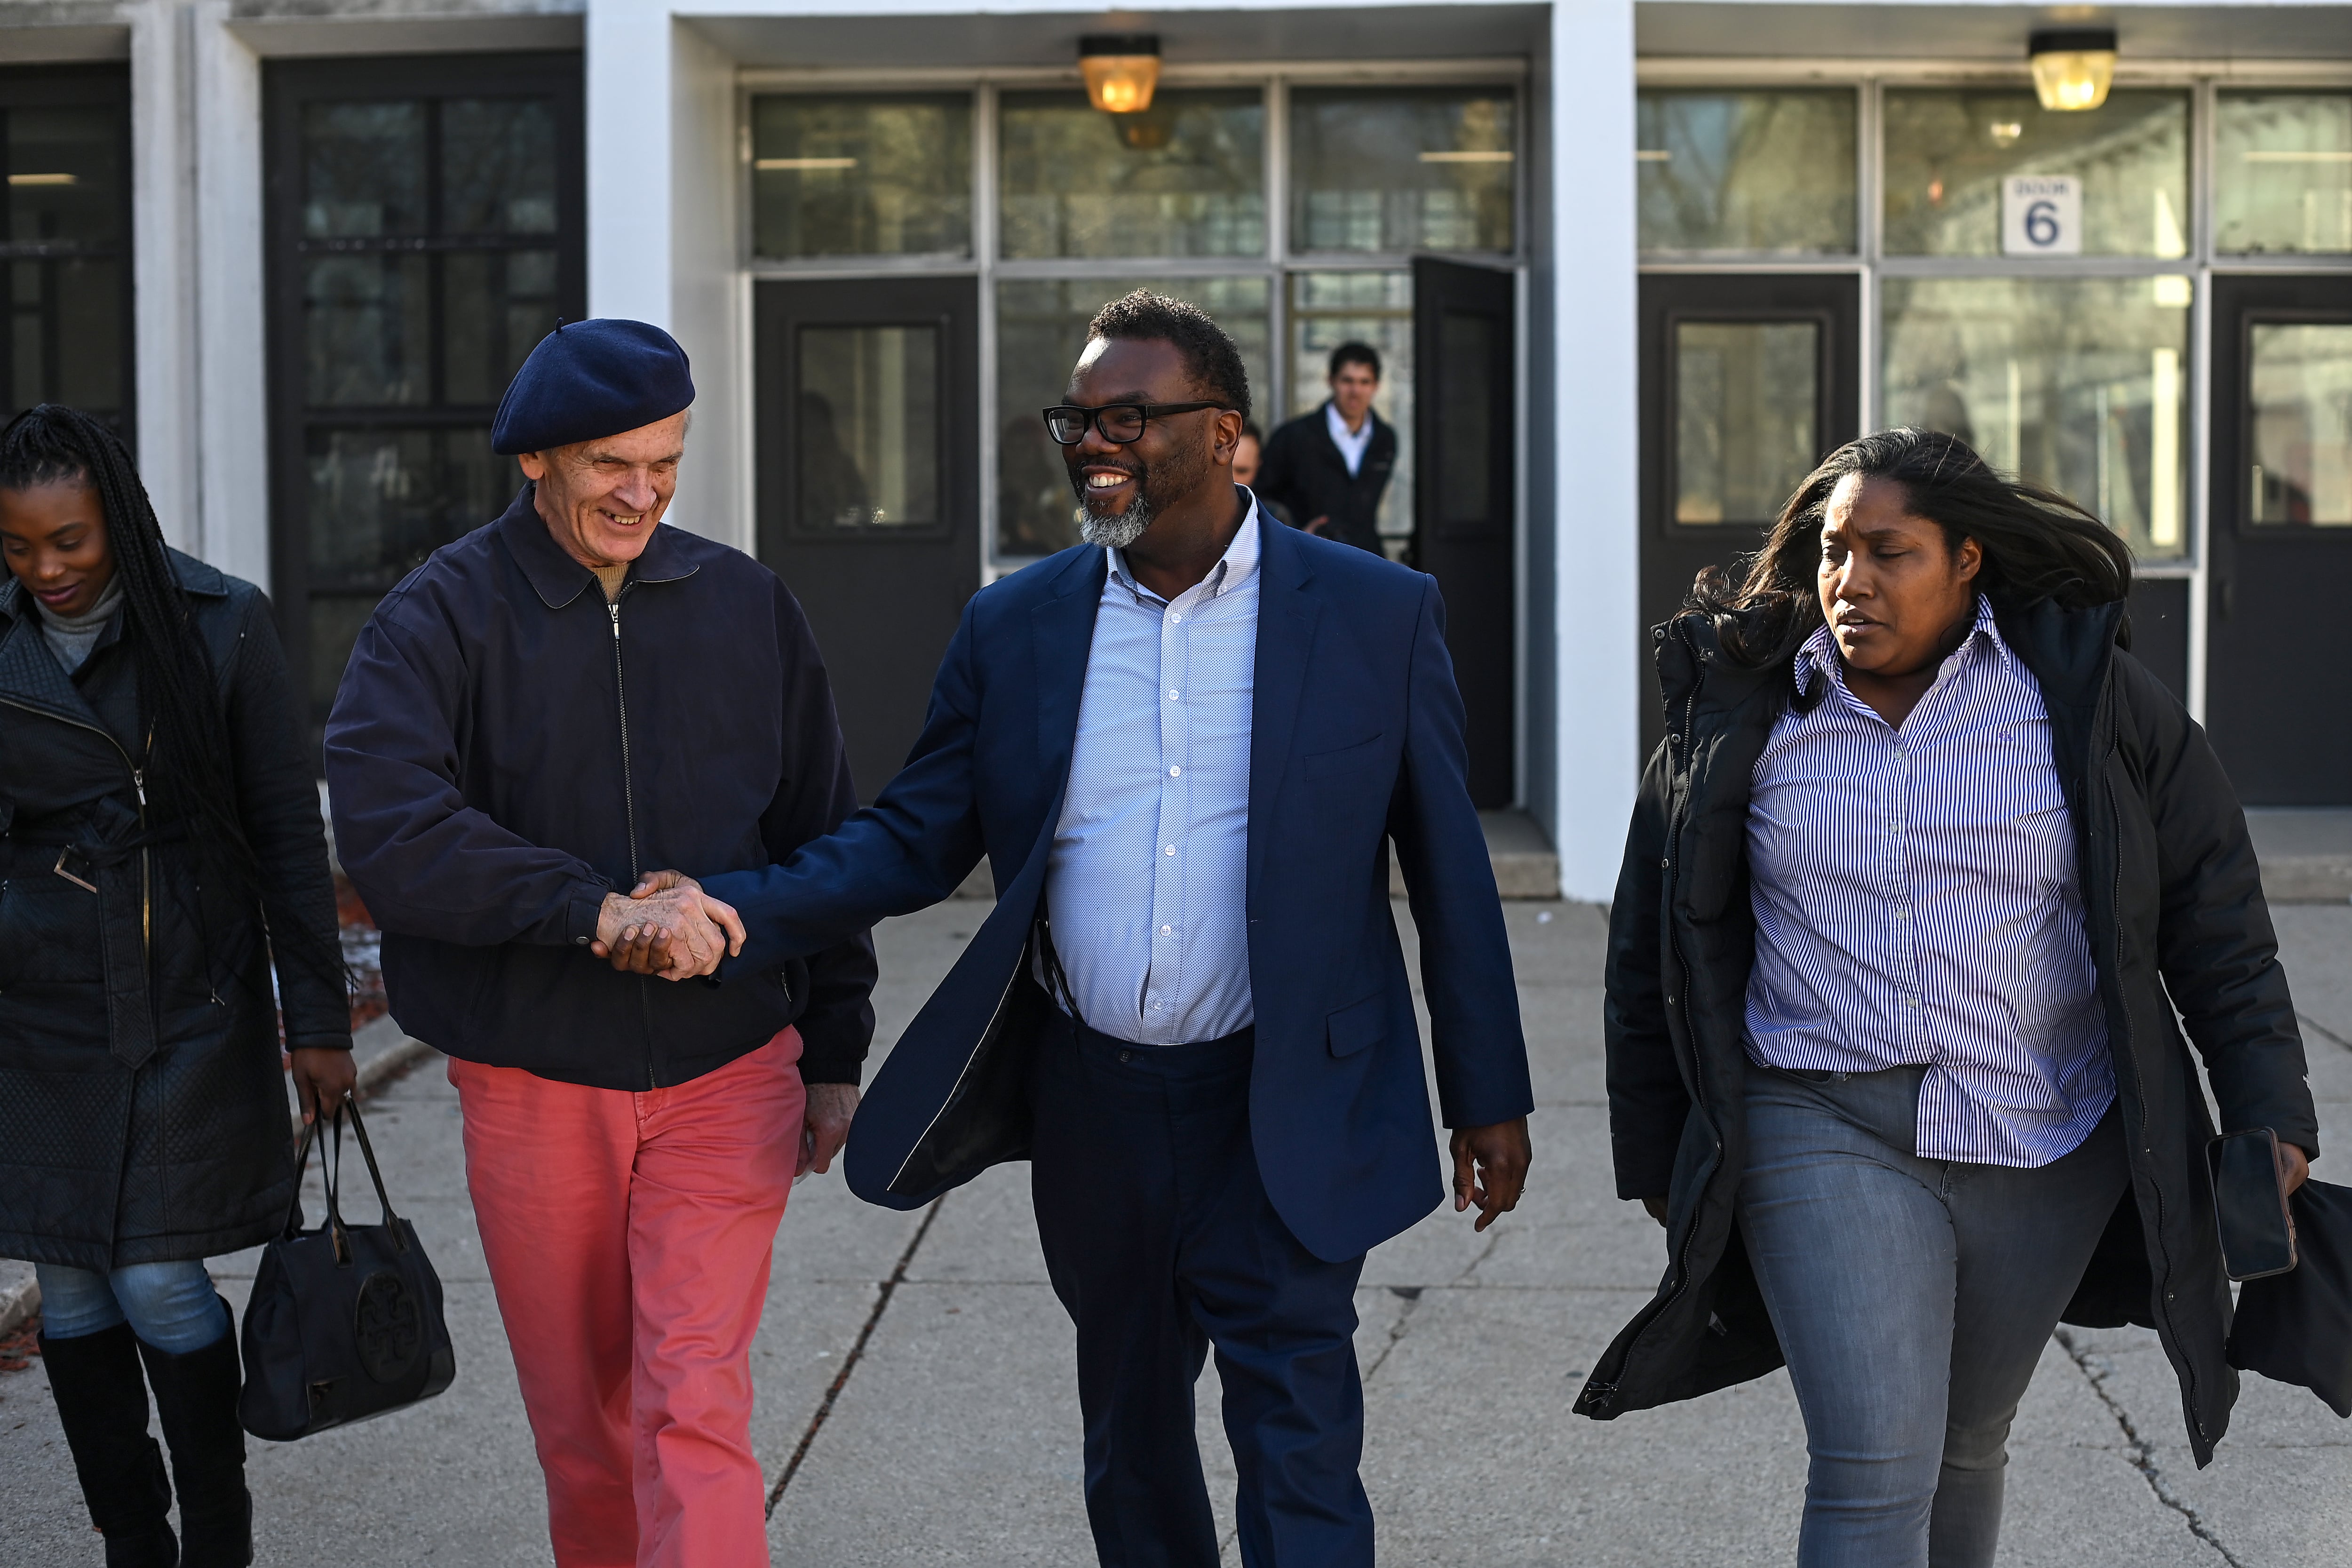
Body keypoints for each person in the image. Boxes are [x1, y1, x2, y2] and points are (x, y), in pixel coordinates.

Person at [610, 290, 1534, 1567]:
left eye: (1127, 417)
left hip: (1285, 1101)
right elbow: (913, 835)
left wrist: (1488, 1089)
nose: (1092, 442)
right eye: (1077, 417)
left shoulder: (1376, 611)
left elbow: (1447, 866)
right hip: (1098, 1107)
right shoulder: (1019, 622)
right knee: (1132, 1443)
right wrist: (733, 908)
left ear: (1222, 431)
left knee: (1302, 1449)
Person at [1578, 428, 2320, 1568]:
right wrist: (1657, 1152)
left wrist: (2267, 1104)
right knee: (1874, 1464)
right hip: (1819, 1120)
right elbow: (1650, 944)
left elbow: (2212, 907)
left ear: (1967, 560)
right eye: (1834, 550)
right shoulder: (1742, 709)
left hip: (2044, 1130)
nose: (1850, 581)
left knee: (1966, 1446)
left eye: (1890, 552)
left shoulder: (2083, 698)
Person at [324, 319, 878, 1567]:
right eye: (610, 465)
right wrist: (595, 908)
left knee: (694, 1406)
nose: (643, 491)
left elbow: (824, 839)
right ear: (536, 461)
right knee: (587, 1429)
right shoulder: (436, 619)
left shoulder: (749, 604)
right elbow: (391, 827)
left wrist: (834, 1040)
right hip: (535, 1083)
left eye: (665, 462)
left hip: (730, 1069)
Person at [0, 404, 354, 1568]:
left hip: (186, 1001)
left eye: (71, 542)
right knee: (72, 1288)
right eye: (18, 546)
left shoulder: (222, 624)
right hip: (35, 1005)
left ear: (123, 523)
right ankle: (132, 1541)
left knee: (156, 1278)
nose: (45, 569)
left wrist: (316, 1021)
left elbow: (288, 845)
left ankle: (216, 1532)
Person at [1254, 342, 1396, 553]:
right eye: (1347, 381)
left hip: (1367, 558)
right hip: (1307, 555)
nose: (1355, 391)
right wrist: (1296, 531)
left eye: (1364, 382)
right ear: (1331, 381)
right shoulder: (1293, 437)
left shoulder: (1385, 438)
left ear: (1376, 386)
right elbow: (1262, 500)